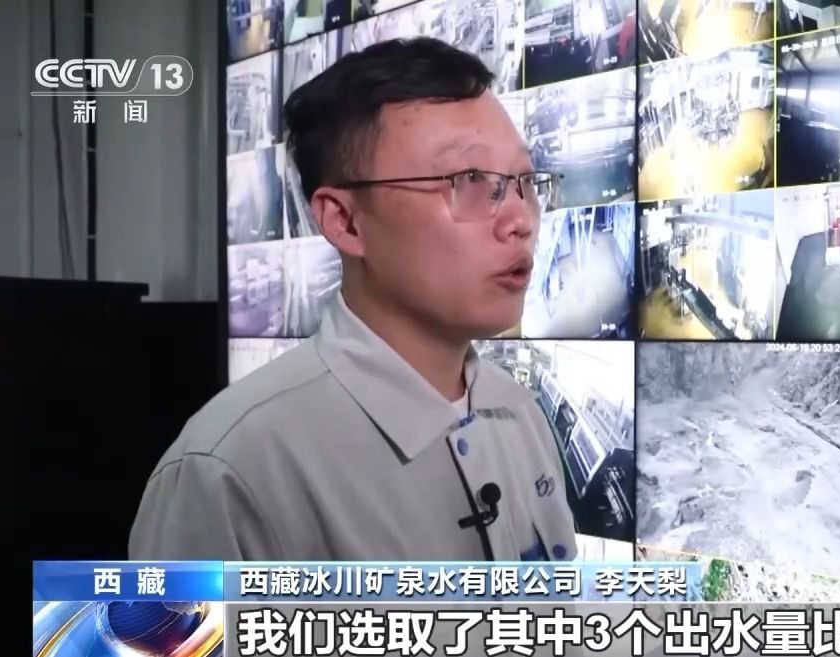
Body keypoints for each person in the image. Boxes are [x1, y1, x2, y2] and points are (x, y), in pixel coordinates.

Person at [129, 38, 579, 562]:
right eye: (471, 181)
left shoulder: (521, 416)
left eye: (524, 181)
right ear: (344, 220)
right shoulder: (230, 470)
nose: (521, 220)